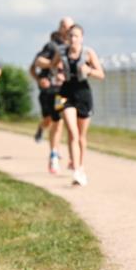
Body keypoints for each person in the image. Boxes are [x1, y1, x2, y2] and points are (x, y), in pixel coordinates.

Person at [52, 24, 104, 186]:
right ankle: (75, 170)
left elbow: (101, 74)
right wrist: (58, 75)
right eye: (70, 36)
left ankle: (81, 167)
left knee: (81, 136)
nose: (73, 39)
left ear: (82, 38)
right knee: (72, 132)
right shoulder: (61, 52)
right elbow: (53, 66)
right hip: (65, 93)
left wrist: (89, 70)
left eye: (76, 36)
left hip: (83, 94)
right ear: (67, 38)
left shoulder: (88, 53)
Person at [31, 30, 64, 161]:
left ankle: (55, 150)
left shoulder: (70, 50)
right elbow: (34, 66)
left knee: (59, 120)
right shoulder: (50, 47)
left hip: (60, 92)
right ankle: (41, 127)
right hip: (47, 91)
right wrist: (39, 80)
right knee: (49, 119)